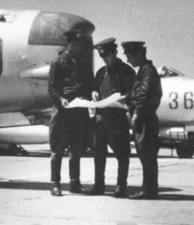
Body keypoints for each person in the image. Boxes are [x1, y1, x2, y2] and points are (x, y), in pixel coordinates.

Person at [47, 27, 94, 197]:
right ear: (68, 45)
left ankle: (75, 183)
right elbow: (51, 88)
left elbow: (89, 85)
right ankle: (55, 184)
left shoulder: (83, 63)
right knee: (57, 151)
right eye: (74, 44)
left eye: (80, 45)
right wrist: (60, 100)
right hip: (62, 113)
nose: (78, 48)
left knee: (76, 151)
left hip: (78, 112)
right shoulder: (58, 63)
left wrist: (91, 94)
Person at [87, 38, 136, 198]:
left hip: (117, 119)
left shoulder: (127, 71)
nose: (105, 59)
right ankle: (98, 185)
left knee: (122, 155)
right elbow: (95, 89)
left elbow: (133, 93)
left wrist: (125, 98)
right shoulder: (101, 72)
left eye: (107, 56)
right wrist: (93, 92)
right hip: (101, 119)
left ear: (115, 53)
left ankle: (121, 187)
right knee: (98, 155)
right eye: (102, 57)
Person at [121, 41, 163, 200]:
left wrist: (136, 115)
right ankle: (149, 189)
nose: (128, 60)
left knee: (147, 155)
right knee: (146, 155)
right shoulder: (145, 71)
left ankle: (149, 190)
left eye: (130, 56)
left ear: (139, 55)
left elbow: (144, 95)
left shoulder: (148, 71)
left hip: (144, 119)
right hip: (144, 117)